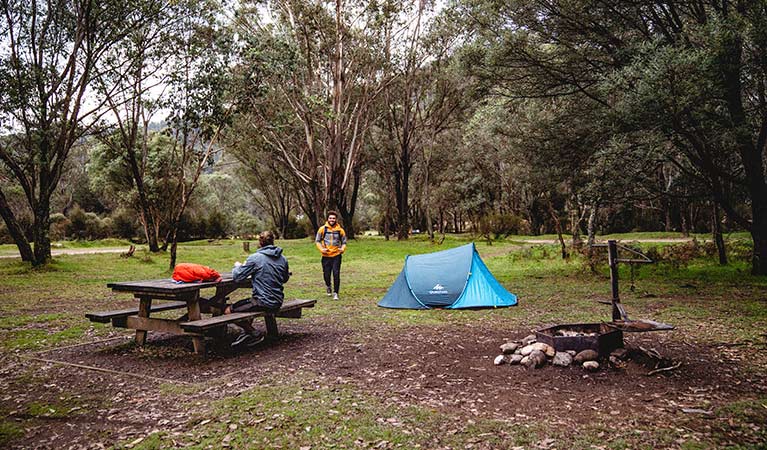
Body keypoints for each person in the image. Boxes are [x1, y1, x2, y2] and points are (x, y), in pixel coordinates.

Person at [225, 230, 291, 347]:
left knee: (227, 310)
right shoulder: (283, 258)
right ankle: (247, 333)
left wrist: (238, 266)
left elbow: (237, 277)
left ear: (260, 242)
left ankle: (253, 333)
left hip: (263, 301)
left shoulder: (255, 258)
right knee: (247, 305)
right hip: (277, 300)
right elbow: (284, 279)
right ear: (273, 241)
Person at [315, 211, 346, 300]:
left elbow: (344, 242)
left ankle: (336, 292)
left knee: (336, 274)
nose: (332, 220)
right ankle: (328, 286)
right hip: (326, 256)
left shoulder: (340, 230)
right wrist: (321, 249)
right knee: (326, 274)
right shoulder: (322, 229)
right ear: (327, 219)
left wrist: (342, 249)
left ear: (336, 219)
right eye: (330, 218)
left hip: (336, 255)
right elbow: (317, 241)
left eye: (333, 218)